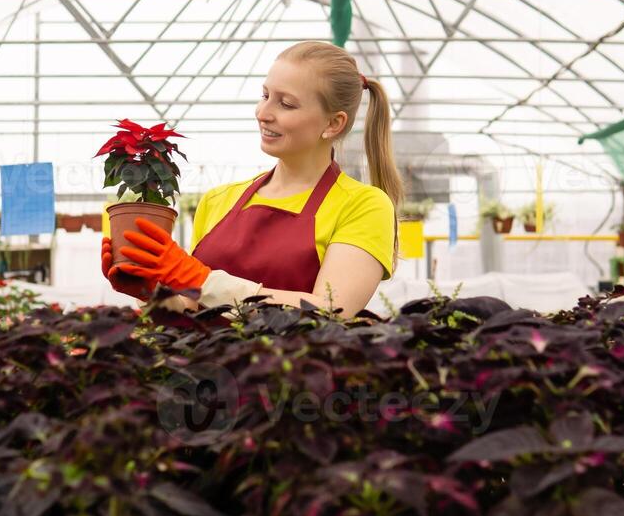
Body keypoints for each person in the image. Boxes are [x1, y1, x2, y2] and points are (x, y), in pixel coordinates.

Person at [101, 41, 402, 315]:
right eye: (265, 95)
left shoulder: (363, 205)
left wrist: (202, 279)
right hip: (206, 370)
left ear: (334, 123)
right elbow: (195, 306)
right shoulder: (218, 200)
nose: (263, 112)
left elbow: (330, 311)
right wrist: (152, 292)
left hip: (289, 372)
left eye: (286, 103)